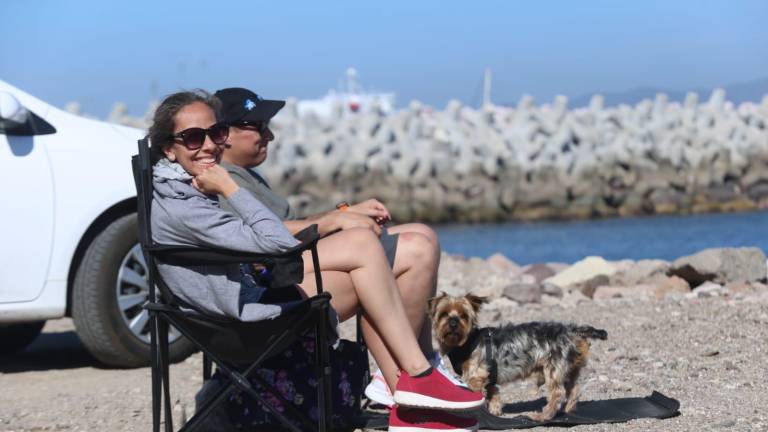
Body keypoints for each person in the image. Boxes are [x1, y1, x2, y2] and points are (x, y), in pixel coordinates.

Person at [147, 90, 482, 431]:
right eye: (192, 137)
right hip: (239, 320)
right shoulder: (188, 201)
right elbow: (276, 243)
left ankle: (412, 388)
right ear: (168, 149)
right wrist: (230, 188)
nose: (207, 144)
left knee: (366, 248)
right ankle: (416, 381)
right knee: (365, 250)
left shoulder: (182, 188)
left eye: (214, 133)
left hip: (239, 297)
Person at [212, 87, 452, 408]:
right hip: (274, 279)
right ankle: (400, 375)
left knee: (422, 233)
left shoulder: (243, 176)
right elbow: (254, 235)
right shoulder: (219, 182)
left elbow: (287, 225)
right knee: (414, 249)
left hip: (290, 263)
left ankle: (423, 360)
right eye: (258, 126)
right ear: (224, 134)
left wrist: (343, 215)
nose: (269, 134)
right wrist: (333, 221)